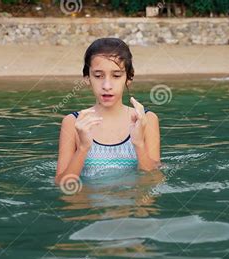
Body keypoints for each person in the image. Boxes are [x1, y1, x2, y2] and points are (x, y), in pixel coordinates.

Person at [55, 37, 160, 184]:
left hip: (132, 205)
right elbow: (62, 184)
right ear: (87, 78)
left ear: (128, 77)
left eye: (116, 76)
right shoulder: (73, 123)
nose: (107, 85)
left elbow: (155, 180)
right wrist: (83, 148)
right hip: (87, 205)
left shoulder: (146, 119)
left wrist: (138, 144)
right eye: (98, 76)